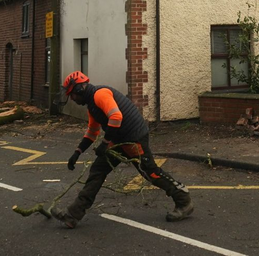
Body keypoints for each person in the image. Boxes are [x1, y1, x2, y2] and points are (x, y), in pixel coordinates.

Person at [52, 72, 194, 228]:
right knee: (98, 171)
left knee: (150, 172)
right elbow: (92, 132)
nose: (72, 99)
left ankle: (183, 201)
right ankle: (73, 215)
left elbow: (116, 116)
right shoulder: (92, 106)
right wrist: (77, 152)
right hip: (119, 139)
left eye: (72, 95)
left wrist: (105, 143)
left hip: (134, 138)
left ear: (79, 89)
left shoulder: (100, 94)